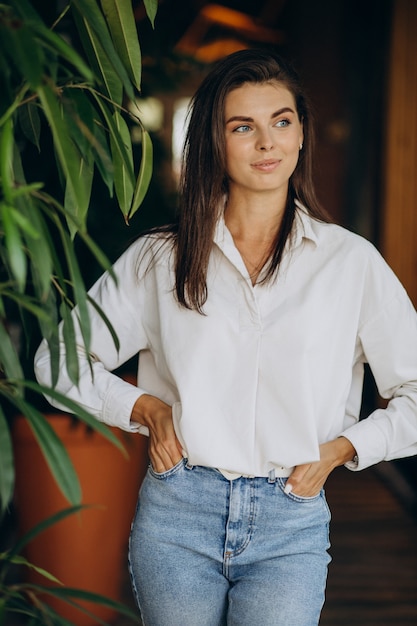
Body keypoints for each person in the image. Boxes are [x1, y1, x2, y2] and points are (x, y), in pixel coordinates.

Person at [34, 48, 417, 626]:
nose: (268, 143)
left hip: (291, 515)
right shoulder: (159, 259)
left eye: (281, 122)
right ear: (214, 141)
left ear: (302, 134)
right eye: (244, 127)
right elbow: (56, 362)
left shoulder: (351, 263)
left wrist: (343, 451)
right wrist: (144, 408)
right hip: (177, 513)